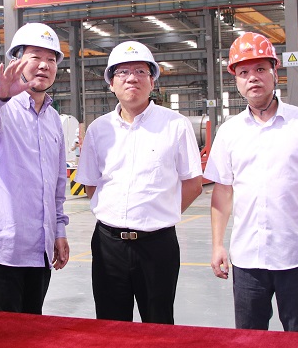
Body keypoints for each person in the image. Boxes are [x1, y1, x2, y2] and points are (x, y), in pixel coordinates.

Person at [205, 32, 298, 332]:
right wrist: (217, 245)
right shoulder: (229, 132)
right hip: (247, 259)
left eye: (260, 69)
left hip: (297, 256)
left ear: (275, 72)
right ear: (236, 80)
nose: (253, 77)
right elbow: (222, 192)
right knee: (249, 343)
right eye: (244, 72)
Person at [75, 41, 203, 324]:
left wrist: (158, 214)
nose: (131, 78)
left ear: (152, 81)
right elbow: (91, 185)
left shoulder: (175, 125)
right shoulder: (99, 129)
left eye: (140, 71)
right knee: (110, 325)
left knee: (158, 326)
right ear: (111, 83)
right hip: (108, 246)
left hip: (157, 246)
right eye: (122, 72)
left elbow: (193, 184)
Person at [0, 22, 70, 314]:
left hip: (40, 247)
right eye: (36, 56)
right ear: (16, 61)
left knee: (33, 329)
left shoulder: (53, 120)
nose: (44, 65)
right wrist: (0, 97)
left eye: (51, 59)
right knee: (4, 335)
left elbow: (57, 184)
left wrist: (59, 230)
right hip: (2, 246)